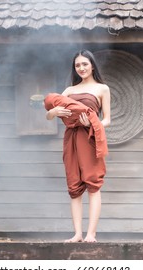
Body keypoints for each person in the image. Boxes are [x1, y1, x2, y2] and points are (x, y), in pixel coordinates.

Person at [45, 49, 111, 243]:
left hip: (90, 138)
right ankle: (77, 234)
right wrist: (54, 111)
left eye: (84, 64)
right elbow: (49, 116)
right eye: (77, 65)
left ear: (92, 65)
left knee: (93, 184)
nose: (81, 68)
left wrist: (91, 123)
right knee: (74, 185)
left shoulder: (102, 89)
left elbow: (107, 120)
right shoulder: (69, 91)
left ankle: (91, 234)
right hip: (71, 139)